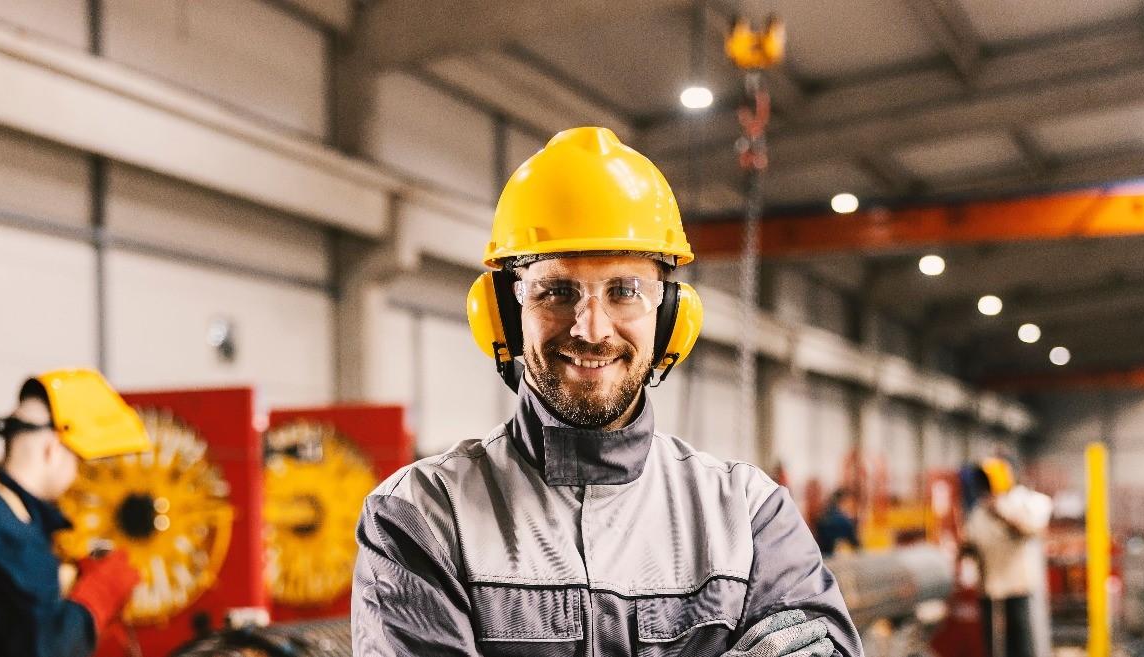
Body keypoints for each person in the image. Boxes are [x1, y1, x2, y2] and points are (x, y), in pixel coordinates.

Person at [351, 127, 860, 656]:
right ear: (504, 314)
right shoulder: (421, 518)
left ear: (671, 317)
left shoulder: (749, 516)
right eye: (556, 291)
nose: (591, 330)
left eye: (625, 291)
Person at [0, 369, 151, 657]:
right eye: (78, 461)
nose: (77, 476)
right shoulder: (4, 532)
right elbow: (47, 649)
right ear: (53, 449)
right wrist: (99, 594)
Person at [962, 457, 1054, 657]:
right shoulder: (978, 513)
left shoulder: (1016, 505)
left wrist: (1001, 515)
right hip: (990, 589)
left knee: (1020, 643)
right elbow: (972, 543)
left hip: (1015, 588)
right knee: (994, 646)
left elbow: (1032, 531)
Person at [814, 489, 861, 557]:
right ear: (842, 502)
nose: (851, 507)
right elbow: (857, 548)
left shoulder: (823, 519)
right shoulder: (845, 523)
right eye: (849, 504)